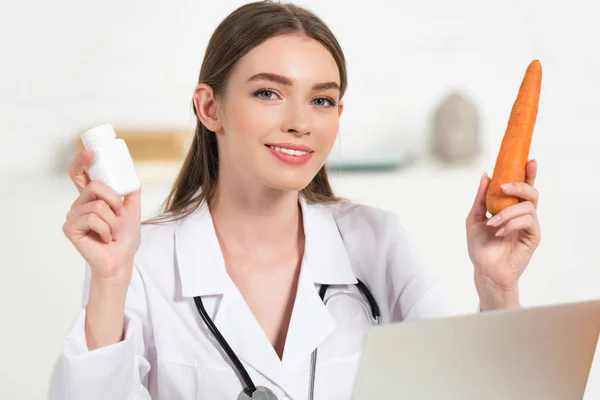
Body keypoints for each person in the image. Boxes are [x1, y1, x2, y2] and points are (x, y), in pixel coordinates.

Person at [49, 1, 541, 399]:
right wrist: (110, 280)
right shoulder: (142, 261)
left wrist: (497, 286)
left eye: (322, 100)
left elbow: (475, 391)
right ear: (210, 107)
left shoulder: (377, 241)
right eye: (268, 93)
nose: (301, 122)